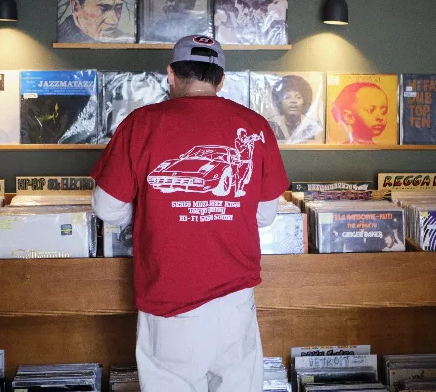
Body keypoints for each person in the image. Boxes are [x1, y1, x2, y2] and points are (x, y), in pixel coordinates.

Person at [91, 35, 289, 392]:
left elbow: (107, 208)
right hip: (235, 298)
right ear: (221, 79)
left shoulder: (141, 124)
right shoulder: (255, 126)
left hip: (170, 298)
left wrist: (148, 213)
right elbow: (265, 215)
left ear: (171, 73)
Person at [145, 0, 211, 43]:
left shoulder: (199, 27)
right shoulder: (158, 26)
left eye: (180, 0)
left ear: (191, 6)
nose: (173, 4)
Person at [268, 75, 318, 142]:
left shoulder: (312, 126)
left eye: (298, 97)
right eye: (287, 97)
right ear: (279, 102)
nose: (293, 101)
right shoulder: (271, 126)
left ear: (305, 101)